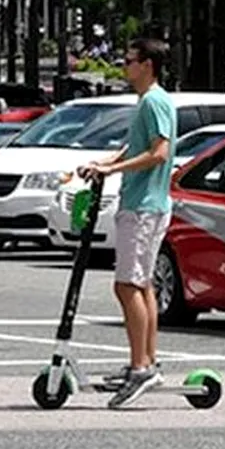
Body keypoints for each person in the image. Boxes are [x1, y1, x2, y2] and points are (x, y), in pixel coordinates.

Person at [77, 38, 177, 408]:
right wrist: (106, 162)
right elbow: (138, 146)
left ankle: (141, 368)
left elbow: (159, 153)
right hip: (146, 204)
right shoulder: (149, 101)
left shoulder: (153, 100)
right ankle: (146, 360)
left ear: (148, 64)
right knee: (142, 284)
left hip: (143, 205)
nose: (124, 66)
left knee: (126, 286)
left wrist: (114, 170)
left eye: (130, 61)